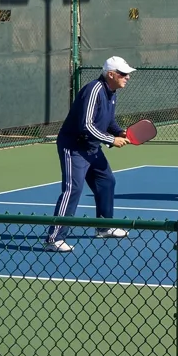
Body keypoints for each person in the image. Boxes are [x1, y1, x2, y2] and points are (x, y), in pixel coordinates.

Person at [44, 56, 136, 252]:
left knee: (107, 181)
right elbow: (86, 125)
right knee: (73, 190)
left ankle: (104, 227)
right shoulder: (93, 90)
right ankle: (54, 238)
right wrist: (112, 140)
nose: (127, 77)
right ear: (111, 74)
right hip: (74, 148)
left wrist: (118, 131)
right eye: (123, 74)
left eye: (128, 74)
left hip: (92, 149)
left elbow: (108, 121)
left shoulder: (112, 93)